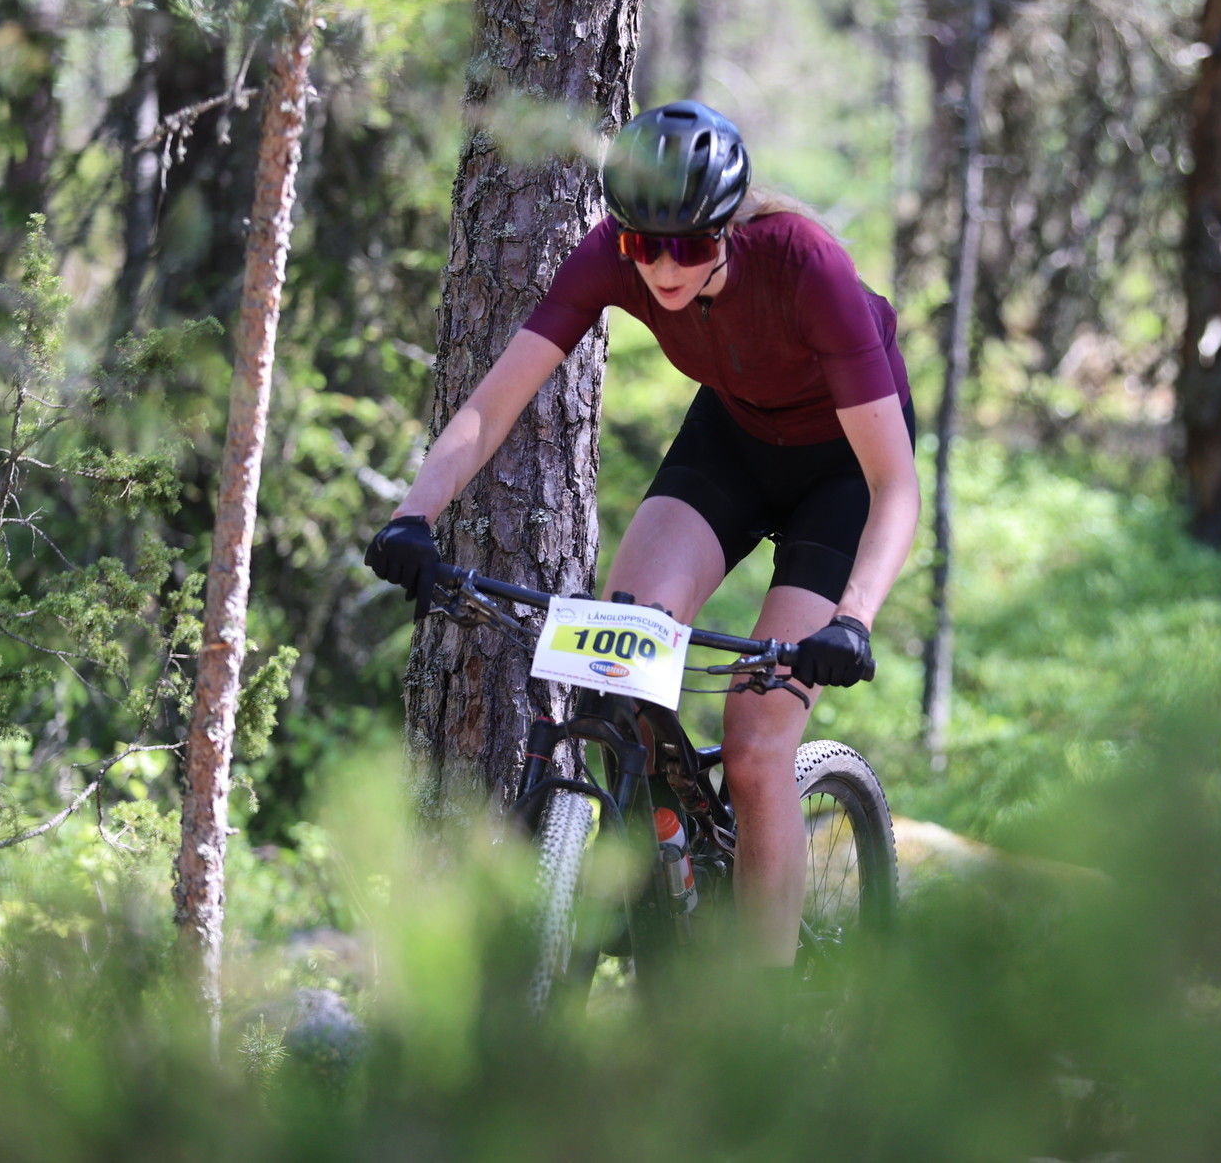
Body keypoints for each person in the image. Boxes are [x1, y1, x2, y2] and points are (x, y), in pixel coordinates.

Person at [364, 101, 919, 968]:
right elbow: (492, 405)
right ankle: (641, 888)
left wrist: (854, 616)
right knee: (615, 653)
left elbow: (895, 485)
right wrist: (413, 515)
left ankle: (758, 1012)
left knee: (756, 739)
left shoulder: (806, 265)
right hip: (735, 440)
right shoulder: (610, 257)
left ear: (728, 229)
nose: (662, 267)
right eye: (643, 243)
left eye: (689, 247)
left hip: (844, 471)